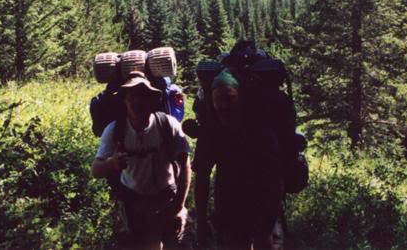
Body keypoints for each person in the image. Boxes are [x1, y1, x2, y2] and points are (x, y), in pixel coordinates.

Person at [92, 71, 191, 250]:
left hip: (166, 197)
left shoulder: (168, 125)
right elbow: (96, 170)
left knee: (172, 244)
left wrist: (179, 206)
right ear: (124, 100)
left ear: (152, 99)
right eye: (132, 97)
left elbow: (185, 166)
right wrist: (112, 163)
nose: (137, 102)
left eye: (143, 97)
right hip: (133, 202)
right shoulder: (115, 130)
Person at [193, 69, 286, 250]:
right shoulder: (211, 131)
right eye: (218, 100)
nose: (224, 105)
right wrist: (201, 221)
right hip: (229, 210)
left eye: (230, 98)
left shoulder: (259, 129)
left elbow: (276, 178)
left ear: (240, 97)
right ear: (211, 101)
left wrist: (267, 226)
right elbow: (202, 177)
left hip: (263, 205)